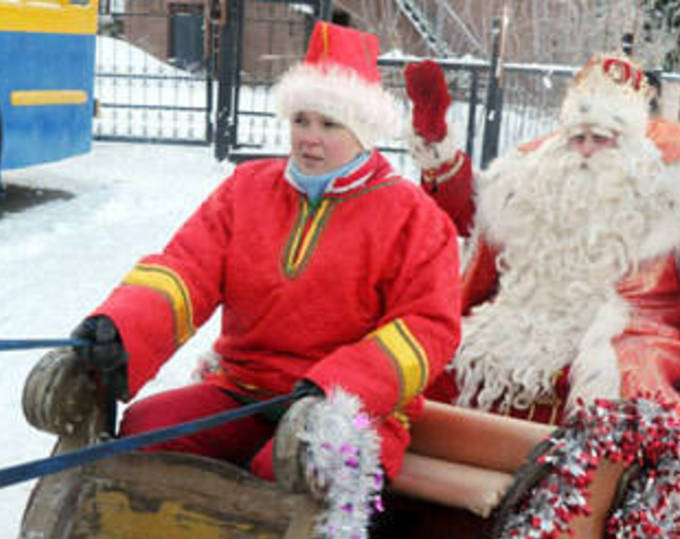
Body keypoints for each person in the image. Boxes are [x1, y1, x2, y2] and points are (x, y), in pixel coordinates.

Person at [32, 22, 462, 486]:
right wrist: (121, 327)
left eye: (329, 123)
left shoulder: (413, 217)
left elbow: (428, 329)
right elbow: (185, 270)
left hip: (348, 414)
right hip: (243, 391)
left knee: (281, 475)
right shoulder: (248, 189)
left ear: (365, 131)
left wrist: (339, 390)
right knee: (145, 433)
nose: (309, 138)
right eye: (301, 120)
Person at [405, 53, 680, 424]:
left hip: (617, 329)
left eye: (600, 139)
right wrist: (439, 150)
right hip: (520, 318)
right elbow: (476, 216)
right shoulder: (534, 182)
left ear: (629, 148)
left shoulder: (661, 204)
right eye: (577, 137)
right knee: (432, 358)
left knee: (620, 381)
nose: (585, 149)